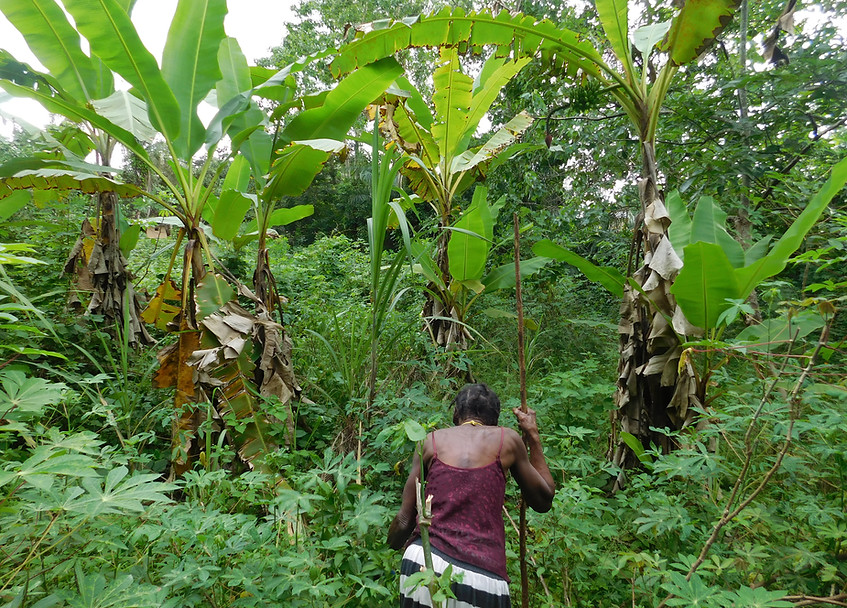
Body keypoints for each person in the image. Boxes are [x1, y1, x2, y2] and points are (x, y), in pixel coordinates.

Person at [388, 383, 556, 607]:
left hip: (423, 565)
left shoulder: (431, 441)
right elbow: (544, 500)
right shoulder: (507, 439)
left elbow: (403, 520)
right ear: (495, 421)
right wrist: (532, 434)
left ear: (456, 413)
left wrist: (389, 548)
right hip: (482, 577)